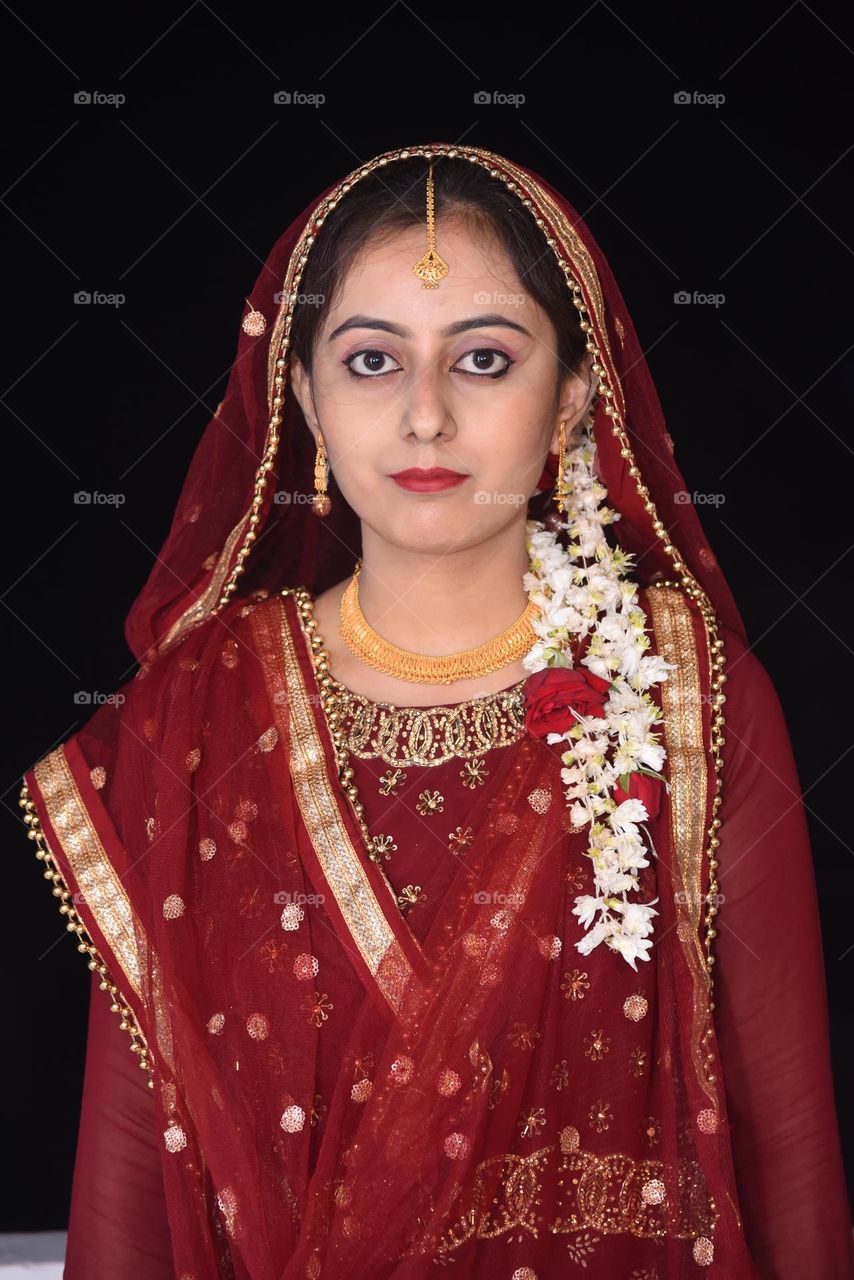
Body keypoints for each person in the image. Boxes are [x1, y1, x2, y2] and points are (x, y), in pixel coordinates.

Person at [19, 143, 852, 1279]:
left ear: (569, 398)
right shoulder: (194, 717)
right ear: (303, 400)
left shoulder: (684, 689)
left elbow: (786, 1144)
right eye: (370, 360)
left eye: (483, 359)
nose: (423, 416)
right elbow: (125, 1188)